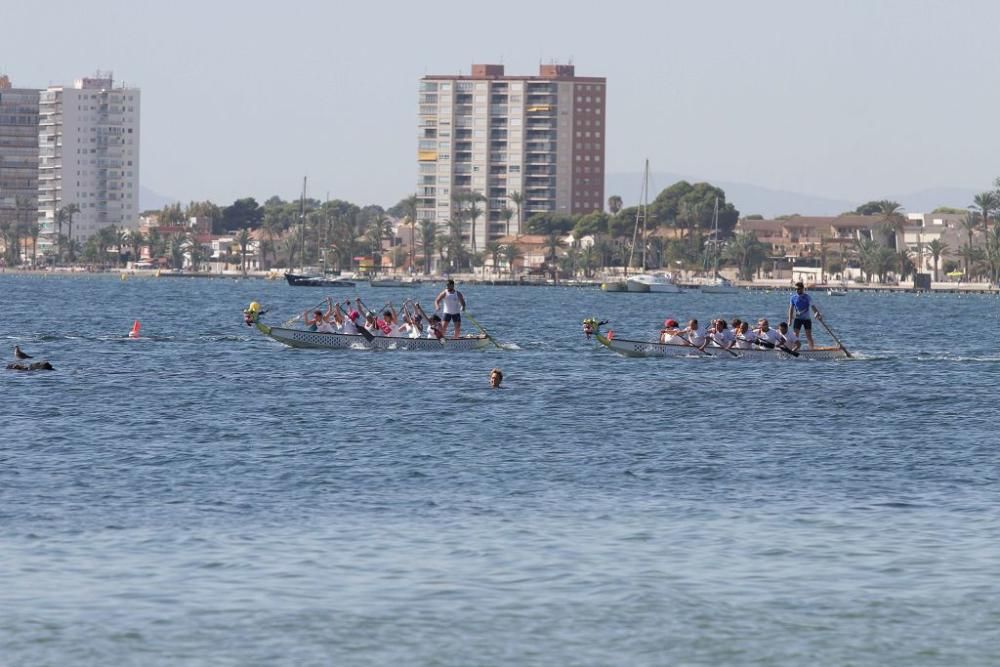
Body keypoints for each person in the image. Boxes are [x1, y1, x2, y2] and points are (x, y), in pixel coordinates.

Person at [788, 281, 822, 349]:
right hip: (798, 319)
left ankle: (811, 349)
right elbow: (791, 309)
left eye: (798, 289)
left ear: (802, 289)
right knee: (795, 335)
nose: (797, 290)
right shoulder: (793, 298)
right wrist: (789, 320)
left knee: (808, 336)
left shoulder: (807, 297)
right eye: (796, 289)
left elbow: (813, 307)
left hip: (807, 319)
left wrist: (818, 314)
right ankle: (795, 348)